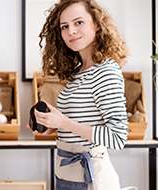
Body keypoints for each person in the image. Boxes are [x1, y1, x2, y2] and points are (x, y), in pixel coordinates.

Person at [27, 0, 129, 189]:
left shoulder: (106, 72)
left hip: (92, 179)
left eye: (78, 22)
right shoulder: (78, 72)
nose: (71, 31)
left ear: (97, 25)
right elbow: (84, 123)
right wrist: (54, 127)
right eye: (64, 26)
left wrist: (64, 122)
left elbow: (117, 137)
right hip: (67, 174)